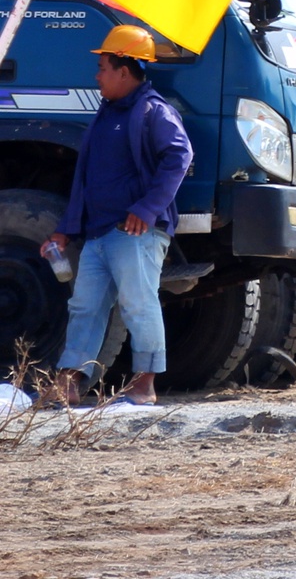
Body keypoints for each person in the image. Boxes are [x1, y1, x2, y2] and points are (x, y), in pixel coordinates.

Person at [47, 25, 193, 409]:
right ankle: (69, 382)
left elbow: (179, 157)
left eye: (103, 68)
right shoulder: (106, 115)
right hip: (98, 234)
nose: (97, 76)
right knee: (84, 306)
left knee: (138, 303)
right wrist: (65, 230)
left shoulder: (153, 112)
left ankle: (144, 384)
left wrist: (146, 210)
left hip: (135, 233)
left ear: (124, 72)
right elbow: (87, 179)